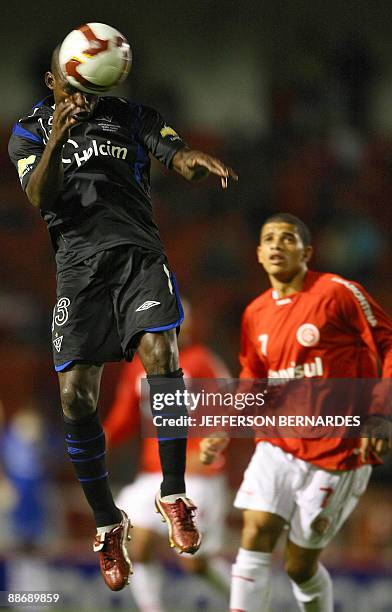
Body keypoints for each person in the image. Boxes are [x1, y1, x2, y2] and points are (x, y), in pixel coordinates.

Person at [8, 30, 237, 592]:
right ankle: (109, 525)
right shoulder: (28, 132)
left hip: (138, 256)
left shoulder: (132, 115)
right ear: (52, 81)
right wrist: (61, 131)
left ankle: (174, 494)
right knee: (75, 397)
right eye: (69, 79)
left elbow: (171, 151)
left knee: (163, 349)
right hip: (78, 272)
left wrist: (189, 159)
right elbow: (41, 198)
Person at [200, 212, 392, 612]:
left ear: (307, 251)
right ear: (257, 254)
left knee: (299, 565)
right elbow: (254, 374)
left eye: (287, 238)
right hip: (278, 442)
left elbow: (388, 343)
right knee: (255, 532)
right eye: (268, 238)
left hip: (338, 451)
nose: (276, 245)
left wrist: (380, 413)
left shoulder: (337, 292)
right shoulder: (255, 313)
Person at [104, 301, 231, 611]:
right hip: (152, 475)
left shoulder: (201, 361)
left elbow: (228, 408)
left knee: (194, 562)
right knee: (136, 541)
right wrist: (98, 442)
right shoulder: (137, 367)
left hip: (196, 476)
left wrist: (211, 447)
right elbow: (124, 418)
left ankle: (249, 604)